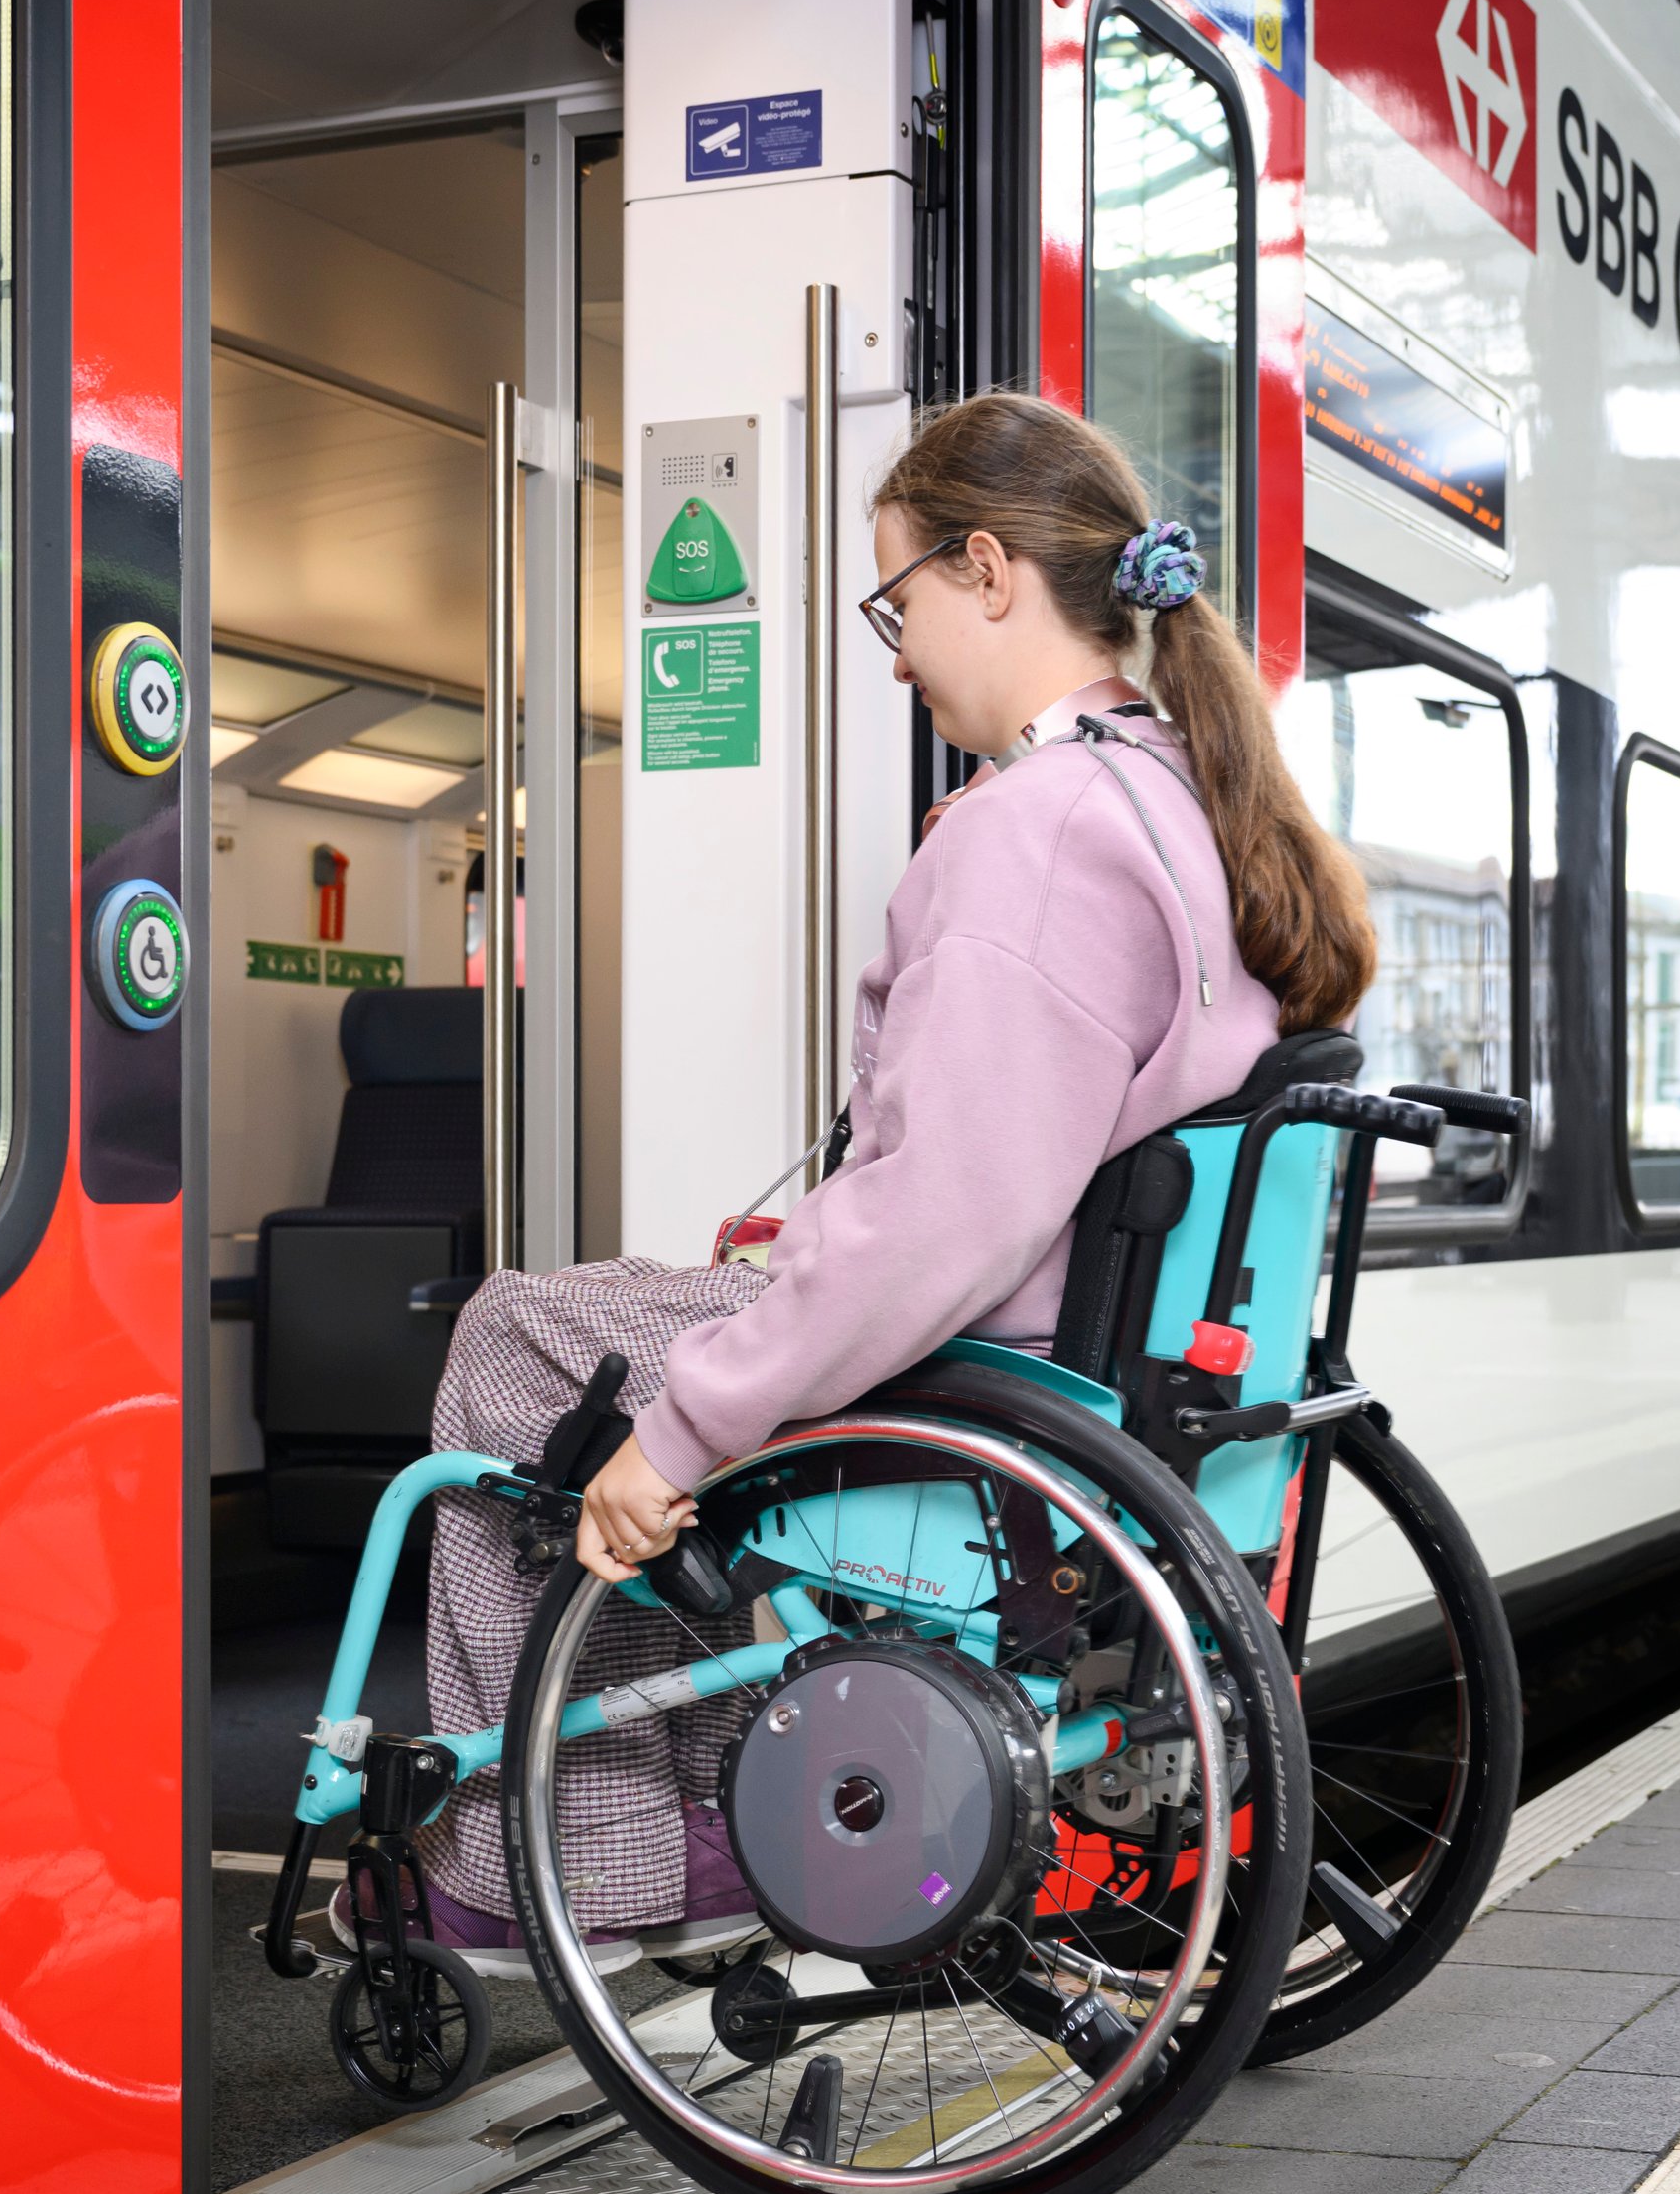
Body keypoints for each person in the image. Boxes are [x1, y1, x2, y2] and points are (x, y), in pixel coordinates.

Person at [375, 392, 1377, 1966]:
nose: (894, 649)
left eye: (894, 600)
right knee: (638, 1319)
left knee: (515, 1335)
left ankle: (589, 1847)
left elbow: (950, 1213)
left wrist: (689, 1426)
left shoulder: (1038, 829)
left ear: (988, 570)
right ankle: (683, 1803)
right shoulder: (1186, 798)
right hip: (1127, 1364)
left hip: (990, 1363)